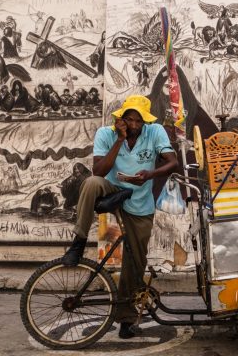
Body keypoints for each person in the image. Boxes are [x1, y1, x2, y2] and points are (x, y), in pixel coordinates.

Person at [60, 95, 178, 339]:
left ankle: (125, 317)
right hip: (112, 190)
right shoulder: (106, 133)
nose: (133, 125)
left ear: (145, 122)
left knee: (136, 261)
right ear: (121, 120)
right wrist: (120, 139)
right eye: (129, 120)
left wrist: (150, 174)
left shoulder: (155, 132)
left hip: (140, 201)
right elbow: (98, 170)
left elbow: (172, 162)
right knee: (91, 183)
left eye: (138, 121)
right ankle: (78, 242)